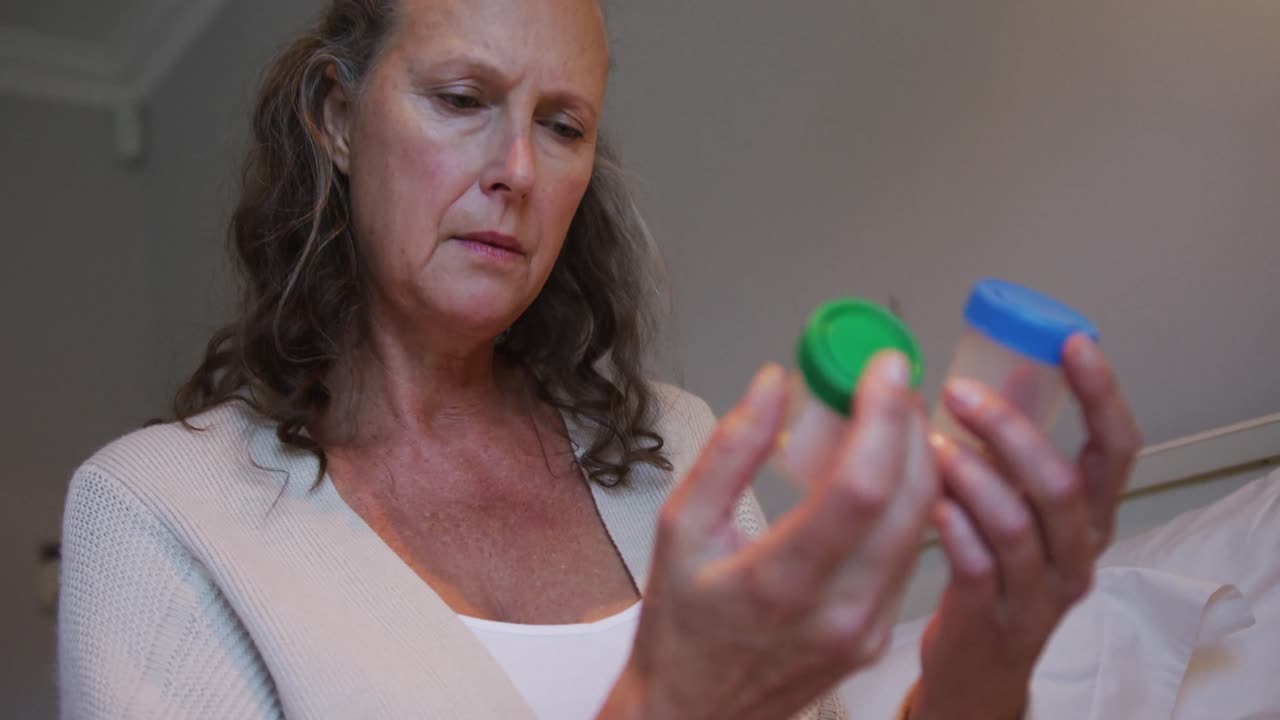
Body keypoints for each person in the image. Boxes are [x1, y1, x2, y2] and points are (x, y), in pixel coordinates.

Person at [56, 0, 1141, 718]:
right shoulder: (156, 511)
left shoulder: (672, 445)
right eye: (461, 99)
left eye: (563, 124)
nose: (517, 168)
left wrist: (983, 654)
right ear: (338, 119)